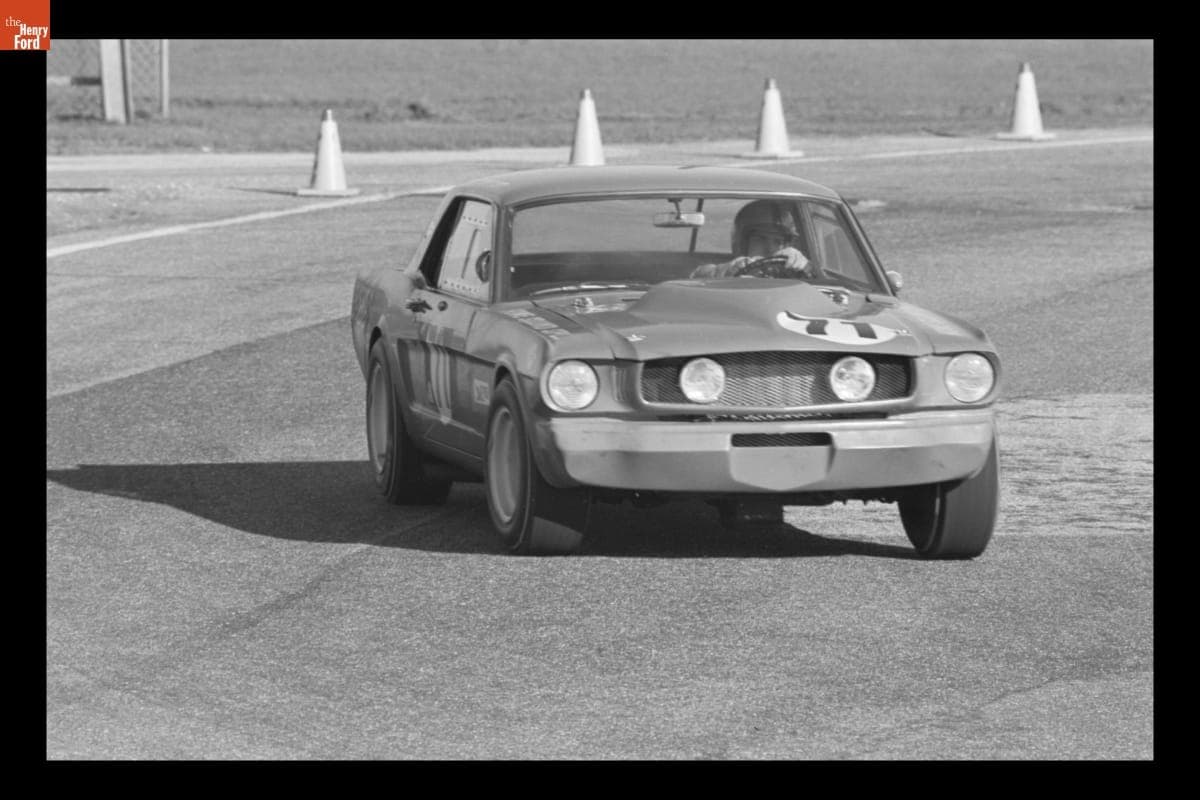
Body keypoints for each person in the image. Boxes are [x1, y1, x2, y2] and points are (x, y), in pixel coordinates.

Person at [690, 199, 819, 280]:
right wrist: (728, 271)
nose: (770, 249)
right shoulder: (729, 269)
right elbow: (697, 275)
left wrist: (806, 266)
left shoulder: (792, 274)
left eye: (778, 242)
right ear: (742, 242)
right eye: (761, 239)